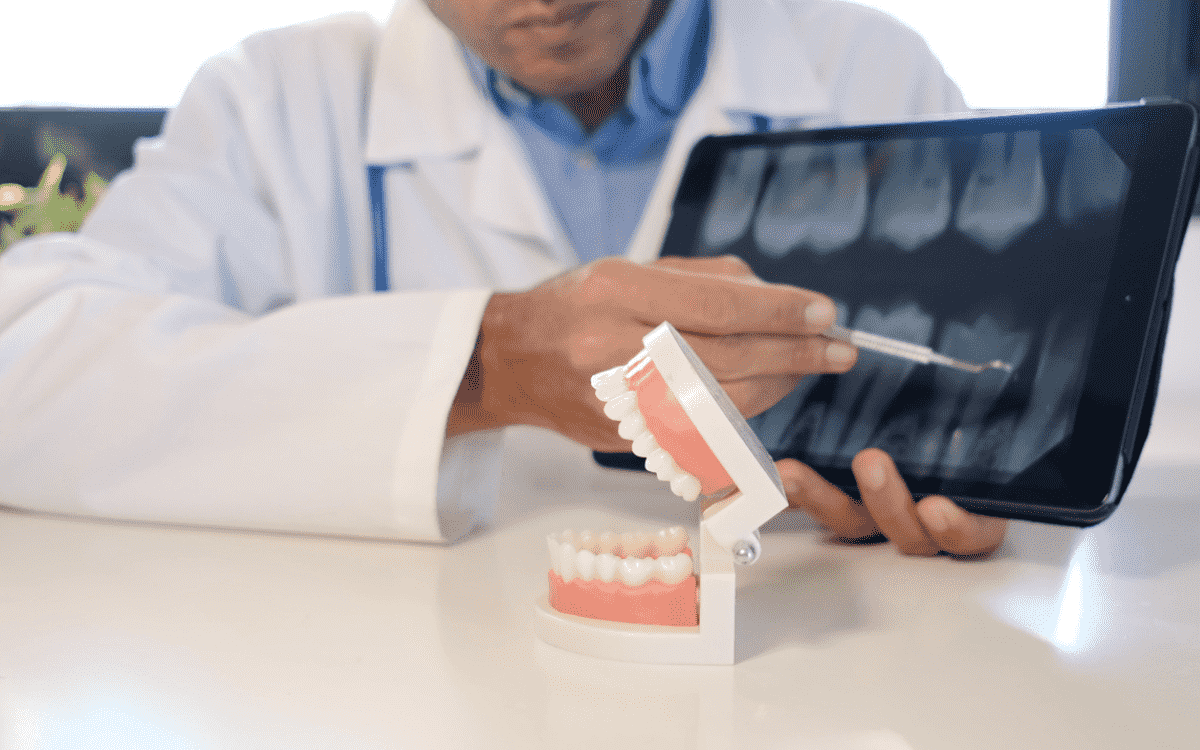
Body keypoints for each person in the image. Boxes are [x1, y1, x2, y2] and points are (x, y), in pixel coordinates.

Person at [0, 0, 1005, 555]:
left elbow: (995, 390)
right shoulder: (276, 99)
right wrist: (485, 366)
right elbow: (26, 373)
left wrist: (981, 472)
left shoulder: (869, 68)